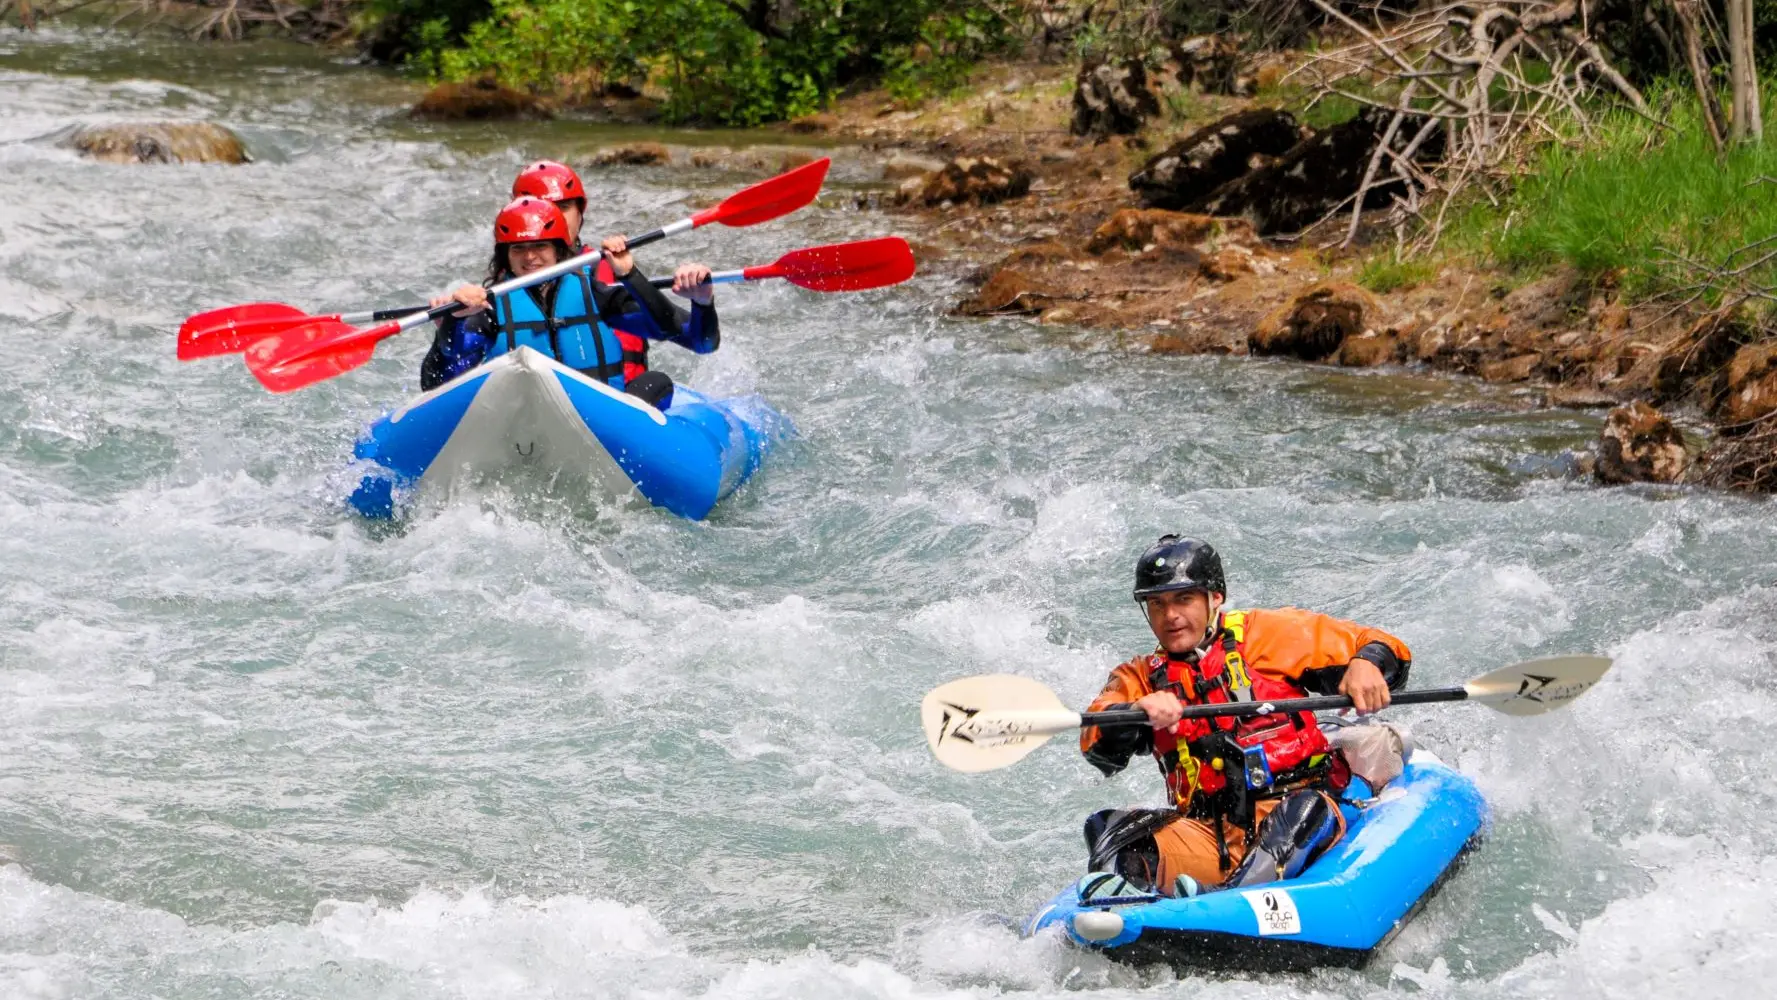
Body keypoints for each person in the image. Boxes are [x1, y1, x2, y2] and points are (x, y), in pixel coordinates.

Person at [1076, 536, 1411, 899]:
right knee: (1109, 827)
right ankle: (1134, 902)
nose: (1170, 615)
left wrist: (1366, 663)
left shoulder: (1266, 634)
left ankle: (1223, 901)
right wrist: (1135, 714)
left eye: (1184, 599)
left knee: (1305, 808)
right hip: (1207, 834)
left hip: (1297, 814)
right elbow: (1096, 738)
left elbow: (1377, 642)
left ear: (1215, 597)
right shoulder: (1139, 677)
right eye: (1157, 604)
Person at [420, 196, 718, 408]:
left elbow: (684, 334)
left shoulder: (596, 295)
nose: (529, 257)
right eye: (518, 249)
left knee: (654, 382)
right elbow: (437, 381)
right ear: (505, 256)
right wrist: (452, 324)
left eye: (540, 246)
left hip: (600, 419)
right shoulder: (491, 309)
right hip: (524, 424)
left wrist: (631, 275)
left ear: (559, 250)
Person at [510, 159, 654, 385]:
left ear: (580, 213)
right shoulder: (505, 283)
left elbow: (683, 332)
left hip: (614, 394)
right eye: (541, 208)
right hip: (537, 396)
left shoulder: (610, 268)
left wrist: (699, 299)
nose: (553, 217)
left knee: (657, 382)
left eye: (563, 207)